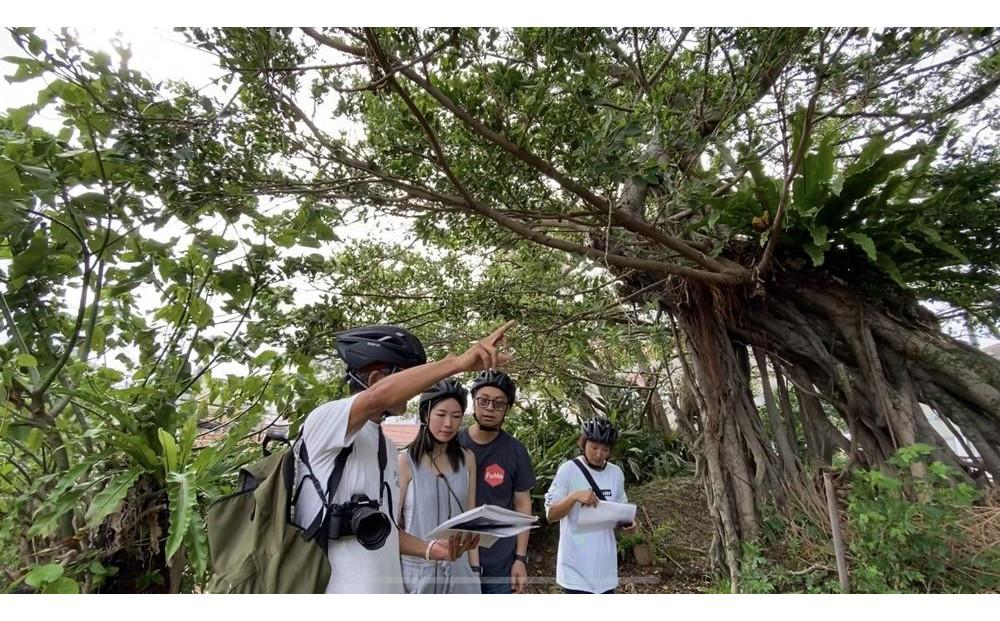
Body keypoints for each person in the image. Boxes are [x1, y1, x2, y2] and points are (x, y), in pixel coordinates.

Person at [292, 321, 514, 593]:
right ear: (376, 380)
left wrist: (432, 549)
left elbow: (390, 530)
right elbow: (374, 399)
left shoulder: (385, 445)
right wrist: (456, 363)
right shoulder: (324, 423)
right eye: (409, 377)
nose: (418, 389)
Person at [399, 379, 480, 593]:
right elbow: (391, 529)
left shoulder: (468, 459)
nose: (448, 423)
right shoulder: (405, 461)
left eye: (456, 416)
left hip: (461, 576)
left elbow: (471, 520)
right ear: (426, 415)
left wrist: (475, 570)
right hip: (416, 577)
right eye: (441, 414)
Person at [458, 370, 535, 594]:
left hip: (500, 564)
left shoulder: (515, 450)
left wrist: (520, 558)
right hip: (455, 558)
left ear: (507, 409)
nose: (490, 408)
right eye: (483, 401)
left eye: (499, 404)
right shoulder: (453, 443)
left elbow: (523, 505)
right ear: (474, 402)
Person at [544, 417, 633, 594]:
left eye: (605, 449)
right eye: (594, 447)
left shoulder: (616, 473)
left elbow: (621, 512)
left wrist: (629, 524)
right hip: (575, 571)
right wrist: (574, 496)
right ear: (583, 443)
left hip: (606, 570)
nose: (599, 454)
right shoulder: (568, 470)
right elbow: (551, 515)